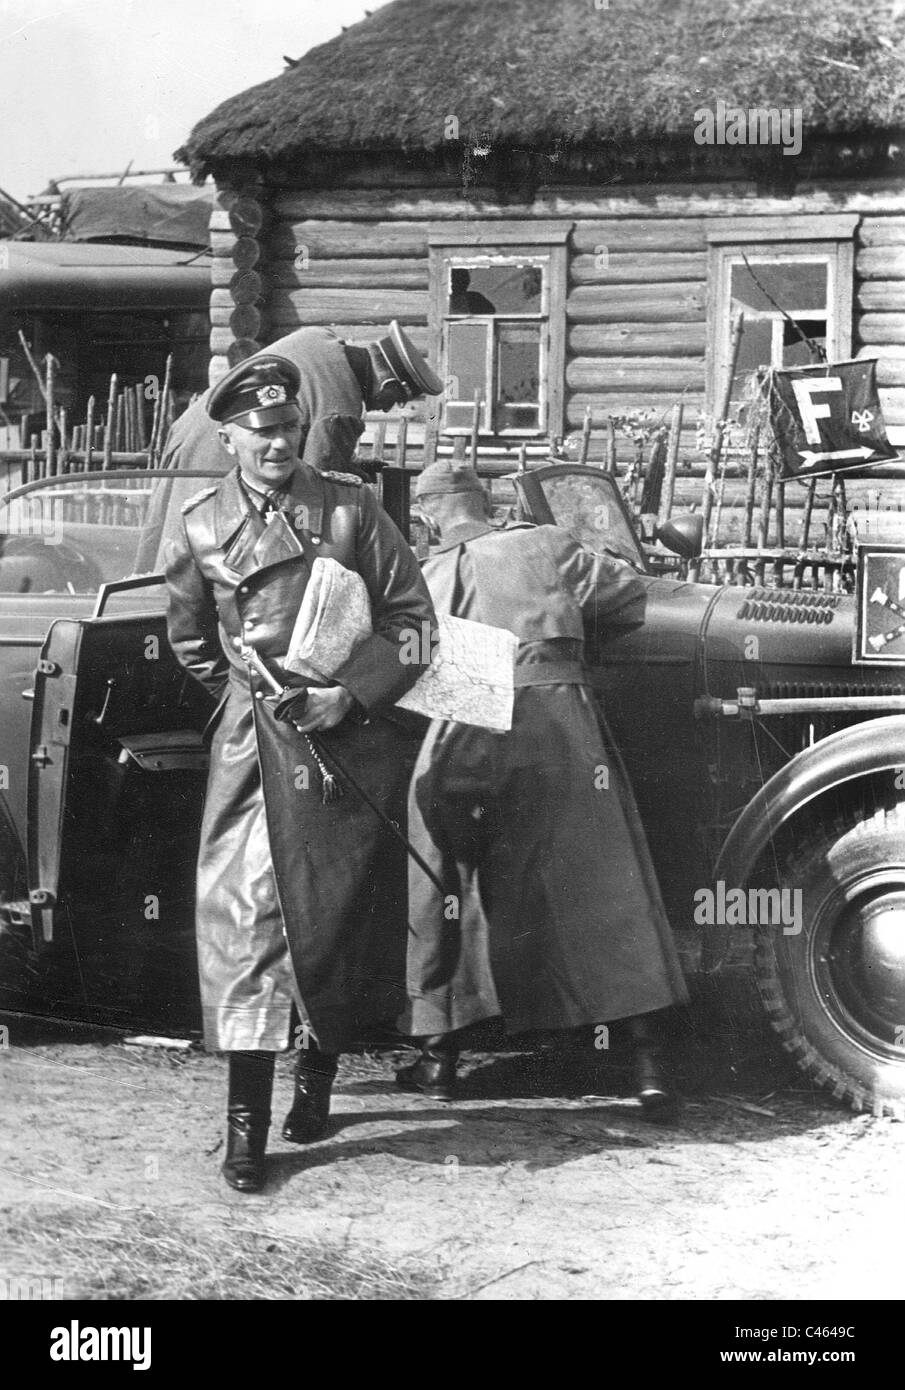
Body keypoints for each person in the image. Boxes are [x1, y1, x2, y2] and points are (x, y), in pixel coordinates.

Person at [165, 353, 438, 1193]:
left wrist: (345, 699)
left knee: (334, 919)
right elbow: (192, 644)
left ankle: (315, 1080)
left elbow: (414, 622)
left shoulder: (352, 513)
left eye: (287, 429)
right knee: (244, 926)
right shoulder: (201, 527)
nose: (276, 445)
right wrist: (257, 705)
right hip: (255, 755)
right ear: (229, 438)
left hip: (341, 748)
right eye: (259, 432)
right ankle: (245, 1126)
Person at [397, 461, 688, 1118]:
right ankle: (648, 1067)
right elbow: (624, 593)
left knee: (443, 878)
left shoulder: (424, 574)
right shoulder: (547, 544)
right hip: (557, 721)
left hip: (465, 720)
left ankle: (438, 1060)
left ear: (428, 516)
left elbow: (400, 660)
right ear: (487, 504)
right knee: (602, 879)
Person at [160, 321, 440, 479]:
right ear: (389, 381)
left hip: (193, 431)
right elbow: (317, 485)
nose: (389, 407)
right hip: (217, 459)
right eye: (397, 398)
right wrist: (347, 475)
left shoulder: (319, 337)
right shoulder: (340, 409)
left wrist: (351, 464)